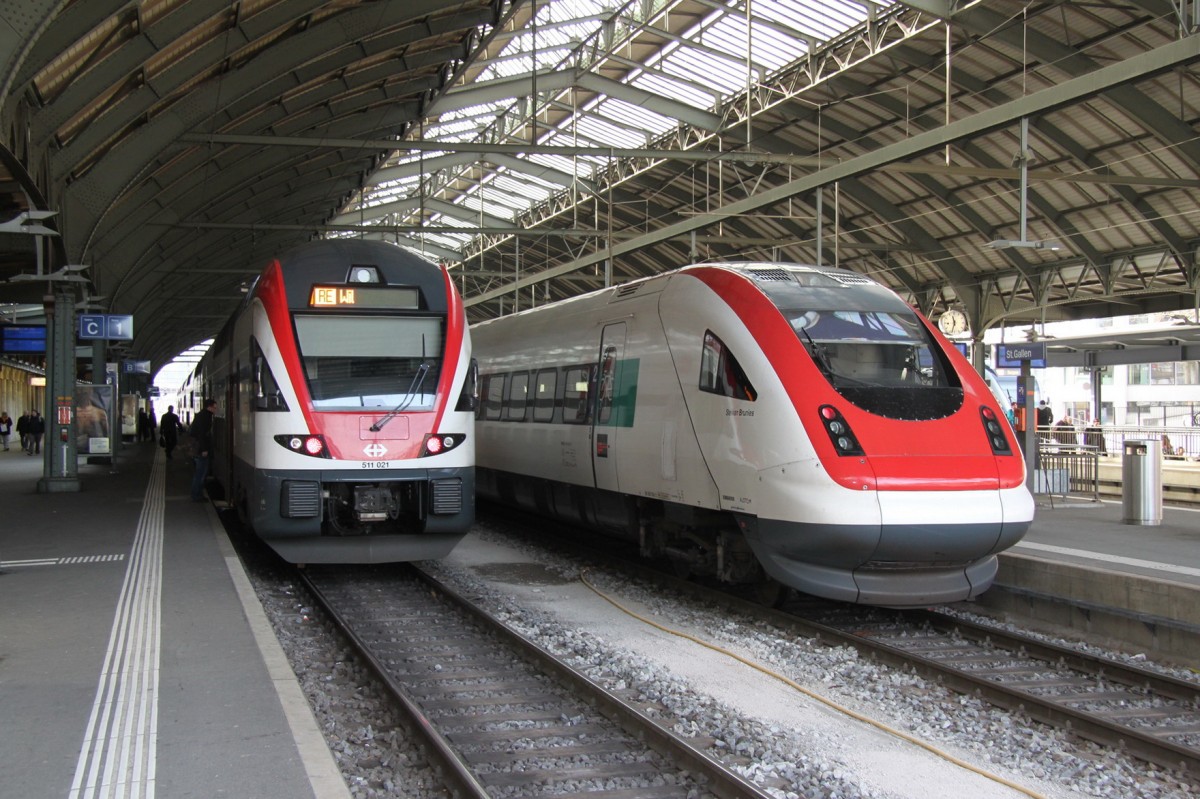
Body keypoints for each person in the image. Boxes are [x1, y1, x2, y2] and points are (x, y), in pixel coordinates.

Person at [190, 398, 217, 502]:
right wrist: (204, 449)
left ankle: (197, 494)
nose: (215, 409)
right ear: (209, 407)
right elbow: (202, 434)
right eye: (214, 407)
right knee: (200, 473)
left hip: (200, 448)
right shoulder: (205, 417)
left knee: (200, 472)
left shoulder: (203, 415)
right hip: (201, 450)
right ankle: (196, 495)